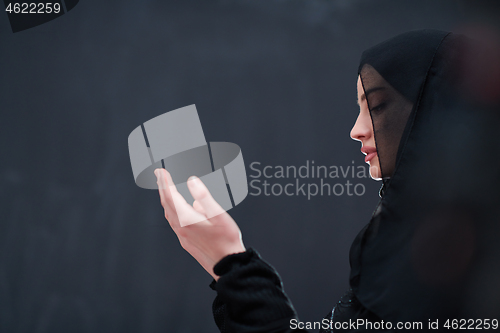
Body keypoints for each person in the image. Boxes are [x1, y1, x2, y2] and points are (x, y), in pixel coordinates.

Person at [154, 29, 500, 332]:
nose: (356, 130)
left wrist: (233, 263)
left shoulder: (449, 260)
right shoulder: (411, 240)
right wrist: (226, 266)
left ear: (434, 107)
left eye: (377, 106)